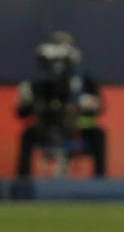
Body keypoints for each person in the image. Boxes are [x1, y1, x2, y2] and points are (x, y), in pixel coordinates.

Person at [17, 32, 106, 178]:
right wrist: (24, 100)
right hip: (46, 129)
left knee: (98, 134)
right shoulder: (41, 83)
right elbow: (23, 112)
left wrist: (87, 103)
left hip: (77, 128)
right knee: (27, 135)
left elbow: (100, 107)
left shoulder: (83, 80)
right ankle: (22, 182)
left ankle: (99, 183)